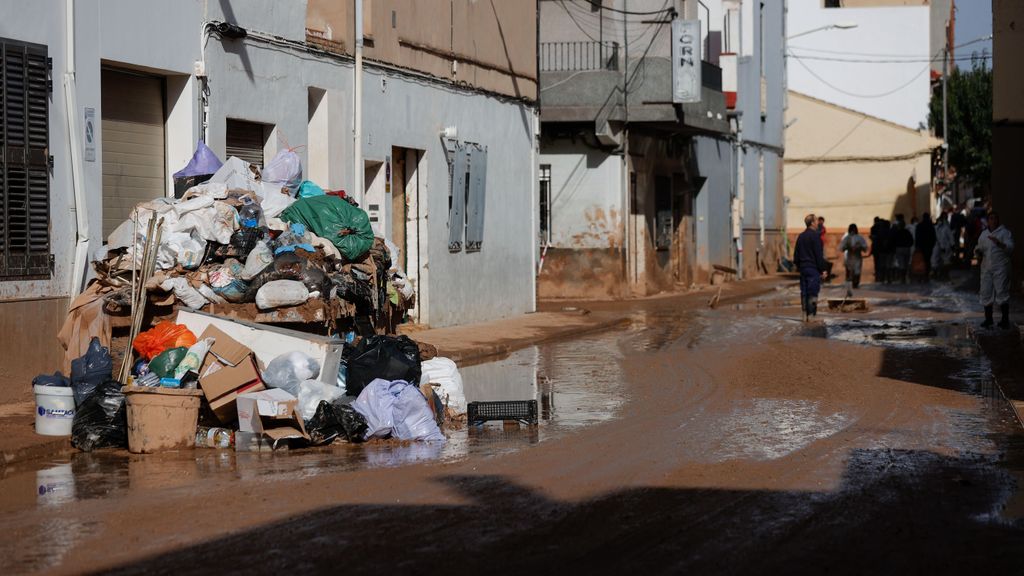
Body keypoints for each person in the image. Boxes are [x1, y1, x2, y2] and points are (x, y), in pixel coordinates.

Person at [975, 212, 1015, 329]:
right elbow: (979, 248)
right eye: (991, 219)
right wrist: (977, 251)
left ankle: (1005, 320)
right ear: (988, 221)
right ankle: (988, 319)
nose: (994, 221)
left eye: (995, 218)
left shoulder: (1004, 233)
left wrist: (999, 243)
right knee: (986, 292)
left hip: (1001, 267)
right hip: (986, 268)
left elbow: (1010, 247)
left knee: (1002, 292)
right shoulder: (984, 234)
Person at [795, 214, 828, 321]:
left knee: (804, 291)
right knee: (813, 291)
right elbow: (819, 255)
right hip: (813, 269)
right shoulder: (815, 236)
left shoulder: (801, 236)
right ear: (813, 223)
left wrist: (799, 266)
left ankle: (804, 315)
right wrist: (823, 269)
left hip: (803, 269)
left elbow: (796, 255)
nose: (818, 223)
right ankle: (811, 315)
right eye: (816, 221)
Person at [838, 223, 869, 289]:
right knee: (850, 270)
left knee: (857, 270)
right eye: (852, 229)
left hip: (857, 256)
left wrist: (859, 247)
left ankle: (856, 283)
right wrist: (847, 247)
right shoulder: (847, 237)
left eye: (854, 229)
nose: (853, 231)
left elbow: (865, 247)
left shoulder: (859, 237)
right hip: (849, 256)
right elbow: (841, 247)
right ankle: (851, 283)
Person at [932, 212, 955, 280]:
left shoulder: (946, 227)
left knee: (946, 260)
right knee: (935, 260)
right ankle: (936, 274)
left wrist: (952, 245)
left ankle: (945, 274)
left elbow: (950, 237)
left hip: (945, 246)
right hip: (937, 246)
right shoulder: (935, 228)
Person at [915, 212, 936, 278]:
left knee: (922, 260)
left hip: (921, 246)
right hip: (929, 246)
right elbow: (933, 236)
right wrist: (932, 245)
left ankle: (921, 275)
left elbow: (917, 236)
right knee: (927, 260)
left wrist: (917, 246)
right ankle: (926, 274)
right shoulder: (931, 226)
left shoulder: (919, 225)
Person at [870, 217, 891, 283]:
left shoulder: (876, 229)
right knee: (885, 263)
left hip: (879, 249)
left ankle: (880, 276)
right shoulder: (887, 230)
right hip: (884, 249)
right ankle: (885, 277)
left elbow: (874, 238)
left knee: (879, 263)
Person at [817, 216, 834, 281]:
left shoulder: (822, 228)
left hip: (821, 243)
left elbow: (820, 233)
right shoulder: (816, 227)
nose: (821, 222)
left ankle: (824, 275)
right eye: (820, 220)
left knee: (823, 257)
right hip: (817, 244)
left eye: (822, 221)